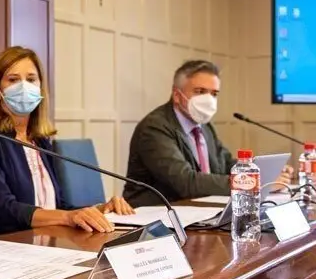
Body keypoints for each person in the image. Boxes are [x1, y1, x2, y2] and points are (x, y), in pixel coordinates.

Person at [0, 46, 135, 235]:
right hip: (8, 244)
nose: (24, 86)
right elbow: (1, 208)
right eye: (13, 79)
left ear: (40, 88)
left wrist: (101, 210)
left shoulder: (40, 141)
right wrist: (68, 217)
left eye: (31, 79)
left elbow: (57, 205)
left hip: (48, 241)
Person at [123, 59, 293, 207]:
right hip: (153, 219)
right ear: (177, 94)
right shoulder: (155, 127)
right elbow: (186, 182)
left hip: (195, 211)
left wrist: (259, 172)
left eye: (214, 94)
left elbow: (225, 164)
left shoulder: (204, 126)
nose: (208, 100)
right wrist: (251, 183)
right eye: (200, 91)